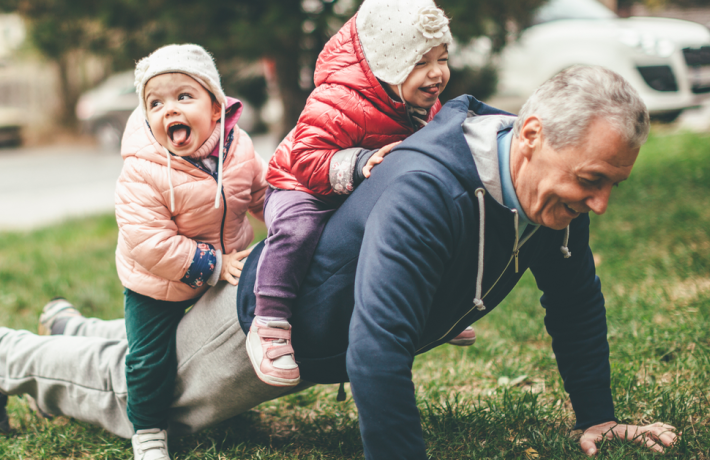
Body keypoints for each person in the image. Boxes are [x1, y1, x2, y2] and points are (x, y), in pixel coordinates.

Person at [0, 66, 678, 459]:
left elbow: (576, 299)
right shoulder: (430, 189)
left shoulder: (548, 189)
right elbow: (376, 351)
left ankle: (78, 325)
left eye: (612, 182)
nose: (602, 203)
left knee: (150, 354)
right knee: (133, 394)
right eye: (593, 180)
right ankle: (11, 355)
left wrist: (597, 414)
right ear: (529, 137)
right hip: (254, 331)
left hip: (302, 333)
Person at [248, 0, 476, 388]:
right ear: (386, 64)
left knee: (421, 224)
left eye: (442, 58)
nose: (437, 73)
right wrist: (357, 164)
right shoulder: (336, 98)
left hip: (361, 187)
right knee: (299, 229)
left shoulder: (421, 104)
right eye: (420, 63)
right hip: (301, 183)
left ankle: (435, 306)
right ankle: (269, 320)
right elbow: (305, 156)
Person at [97, 43, 266, 459]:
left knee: (230, 333)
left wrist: (288, 220)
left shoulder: (239, 148)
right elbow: (148, 241)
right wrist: (213, 265)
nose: (169, 109)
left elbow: (262, 192)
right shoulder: (142, 168)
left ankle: (224, 395)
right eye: (155, 103)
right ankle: (149, 430)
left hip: (226, 263)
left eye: (183, 96)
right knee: (149, 358)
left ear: (216, 107)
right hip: (157, 281)